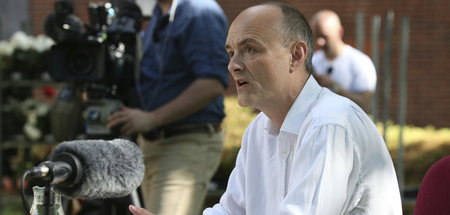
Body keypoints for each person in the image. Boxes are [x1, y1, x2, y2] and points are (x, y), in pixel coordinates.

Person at [128, 2, 402, 215]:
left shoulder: (329, 124)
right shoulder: (258, 131)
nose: (233, 65)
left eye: (250, 49)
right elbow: (231, 211)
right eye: (230, 52)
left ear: (296, 55)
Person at [106, 0, 229, 214]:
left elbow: (213, 83)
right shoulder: (159, 12)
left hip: (185, 145)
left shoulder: (200, 11)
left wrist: (152, 118)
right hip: (152, 144)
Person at [310, 10, 377, 113]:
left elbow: (365, 104)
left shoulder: (360, 62)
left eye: (324, 36)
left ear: (339, 32)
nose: (320, 42)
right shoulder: (312, 60)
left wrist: (334, 86)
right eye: (316, 36)